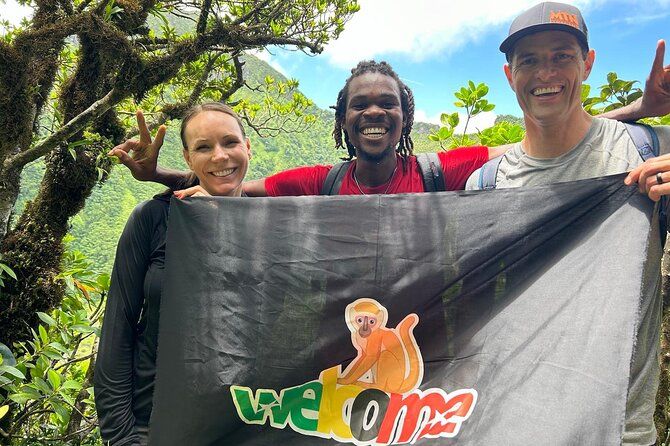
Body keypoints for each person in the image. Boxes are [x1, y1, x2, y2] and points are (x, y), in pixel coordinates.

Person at [464, 3, 670, 444]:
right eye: (530, 60)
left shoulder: (649, 150)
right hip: (510, 425)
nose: (546, 73)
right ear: (509, 75)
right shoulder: (486, 185)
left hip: (620, 433)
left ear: (588, 63)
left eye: (562, 56)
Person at [93, 102, 252, 445]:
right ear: (187, 158)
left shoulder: (273, 225)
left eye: (230, 142)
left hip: (243, 424)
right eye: (203, 147)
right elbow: (116, 334)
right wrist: (122, 437)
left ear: (247, 147)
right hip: (154, 422)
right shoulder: (153, 219)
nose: (220, 157)